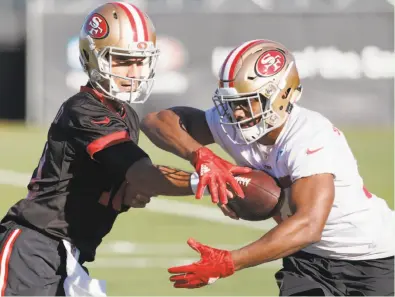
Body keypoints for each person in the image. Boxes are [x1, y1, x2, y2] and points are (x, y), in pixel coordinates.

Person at [0, 2, 249, 296]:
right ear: (91, 57)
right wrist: (208, 180)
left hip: (66, 254)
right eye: (121, 60)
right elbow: (143, 175)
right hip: (35, 249)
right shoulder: (83, 109)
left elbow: (132, 184)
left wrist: (128, 192)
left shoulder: (126, 116)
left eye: (140, 61)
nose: (133, 70)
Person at [141, 39, 395, 296]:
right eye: (232, 103)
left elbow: (308, 226)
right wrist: (202, 156)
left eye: (248, 102)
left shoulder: (309, 135)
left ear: (282, 94)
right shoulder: (231, 123)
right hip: (306, 260)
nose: (237, 114)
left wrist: (229, 262)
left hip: (373, 258)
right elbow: (155, 122)